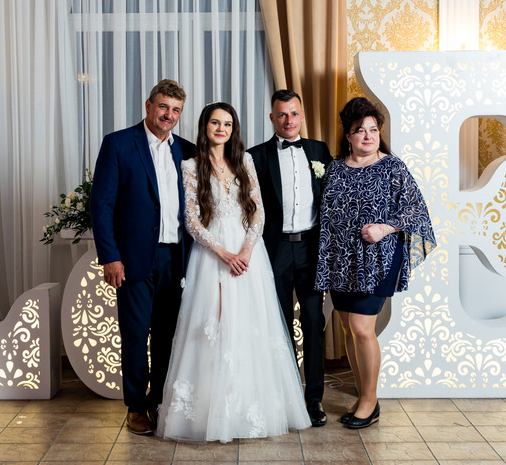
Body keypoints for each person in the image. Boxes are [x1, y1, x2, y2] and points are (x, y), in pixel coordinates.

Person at [157, 102, 310, 443]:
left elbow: (258, 211)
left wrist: (246, 251)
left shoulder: (245, 161)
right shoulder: (190, 166)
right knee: (213, 326)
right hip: (211, 255)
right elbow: (192, 220)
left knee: (248, 324)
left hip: (247, 254)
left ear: (233, 129)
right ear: (205, 126)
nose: (221, 129)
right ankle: (211, 412)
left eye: (227, 124)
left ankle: (246, 410)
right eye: (215, 122)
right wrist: (224, 253)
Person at [315, 97, 436, 429]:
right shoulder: (335, 168)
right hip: (341, 261)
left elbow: (416, 209)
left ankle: (370, 400)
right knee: (348, 328)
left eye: (373, 129)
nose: (368, 136)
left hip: (378, 259)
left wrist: (385, 228)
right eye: (360, 130)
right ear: (348, 136)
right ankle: (363, 395)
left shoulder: (393, 166)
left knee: (361, 328)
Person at [90, 79, 196, 436]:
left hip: (176, 258)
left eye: (176, 110)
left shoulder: (188, 151)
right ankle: (136, 407)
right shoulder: (118, 144)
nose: (169, 115)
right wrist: (110, 257)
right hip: (133, 259)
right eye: (163, 106)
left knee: (167, 336)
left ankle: (159, 403)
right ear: (149, 106)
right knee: (136, 335)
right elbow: (102, 205)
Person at [247, 89, 333, 427]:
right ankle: (283, 398)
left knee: (313, 321)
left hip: (311, 248)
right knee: (278, 325)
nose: (289, 120)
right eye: (282, 114)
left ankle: (314, 400)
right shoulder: (255, 156)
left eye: (294, 113)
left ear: (302, 115)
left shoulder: (319, 150)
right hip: (274, 249)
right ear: (272, 118)